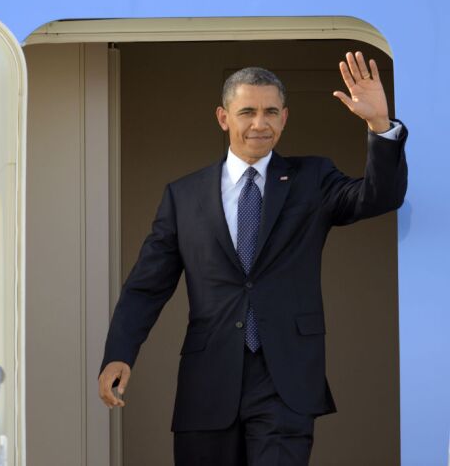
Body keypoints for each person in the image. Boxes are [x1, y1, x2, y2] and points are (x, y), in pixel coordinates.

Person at [98, 51, 408, 466]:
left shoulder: (312, 179)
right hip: (207, 382)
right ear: (224, 117)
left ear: (284, 118)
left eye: (270, 112)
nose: (259, 123)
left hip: (285, 380)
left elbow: (380, 196)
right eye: (247, 111)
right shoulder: (183, 196)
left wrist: (379, 125)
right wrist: (120, 352)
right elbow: (147, 285)